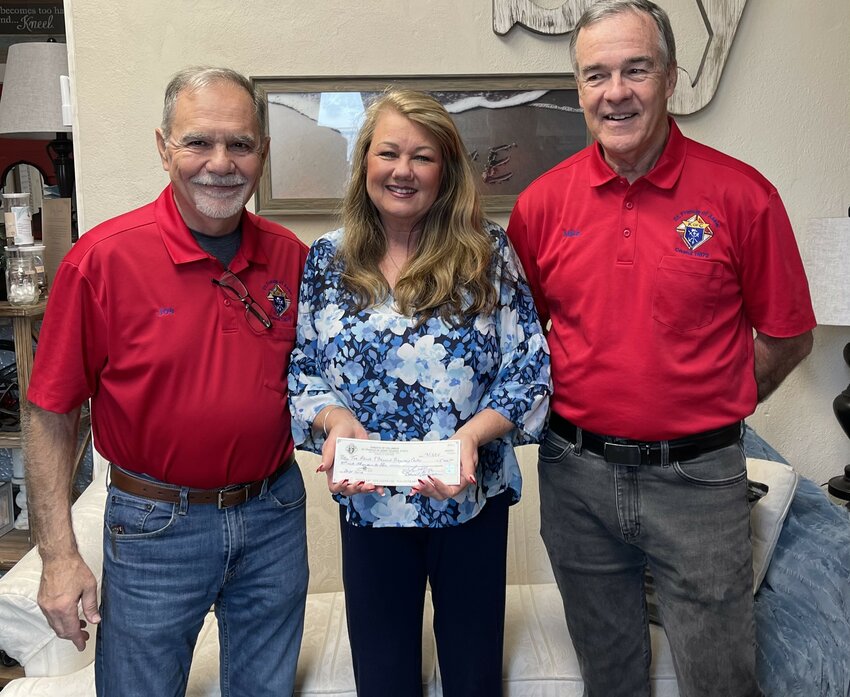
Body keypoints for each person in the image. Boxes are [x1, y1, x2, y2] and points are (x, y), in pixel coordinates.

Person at [506, 2, 816, 696]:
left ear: (671, 77)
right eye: (596, 75)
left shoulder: (741, 195)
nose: (616, 92)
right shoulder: (542, 205)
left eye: (635, 69)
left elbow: (789, 333)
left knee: (719, 677)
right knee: (609, 677)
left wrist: (717, 400)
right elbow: (526, 336)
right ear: (580, 90)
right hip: (575, 476)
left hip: (700, 482)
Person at [23, 67, 309, 697]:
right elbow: (49, 412)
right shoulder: (102, 261)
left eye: (239, 144)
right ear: (162, 147)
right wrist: (58, 556)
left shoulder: (292, 256)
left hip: (274, 516)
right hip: (155, 526)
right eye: (197, 142)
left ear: (262, 151)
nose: (220, 163)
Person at [288, 89, 550, 697]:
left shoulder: (488, 253)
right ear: (365, 164)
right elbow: (304, 367)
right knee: (382, 680)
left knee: (473, 677)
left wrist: (472, 436)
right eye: (389, 153)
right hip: (371, 503)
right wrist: (333, 420)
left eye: (422, 156)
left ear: (447, 169)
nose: (403, 171)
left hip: (469, 503)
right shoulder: (328, 259)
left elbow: (529, 366)